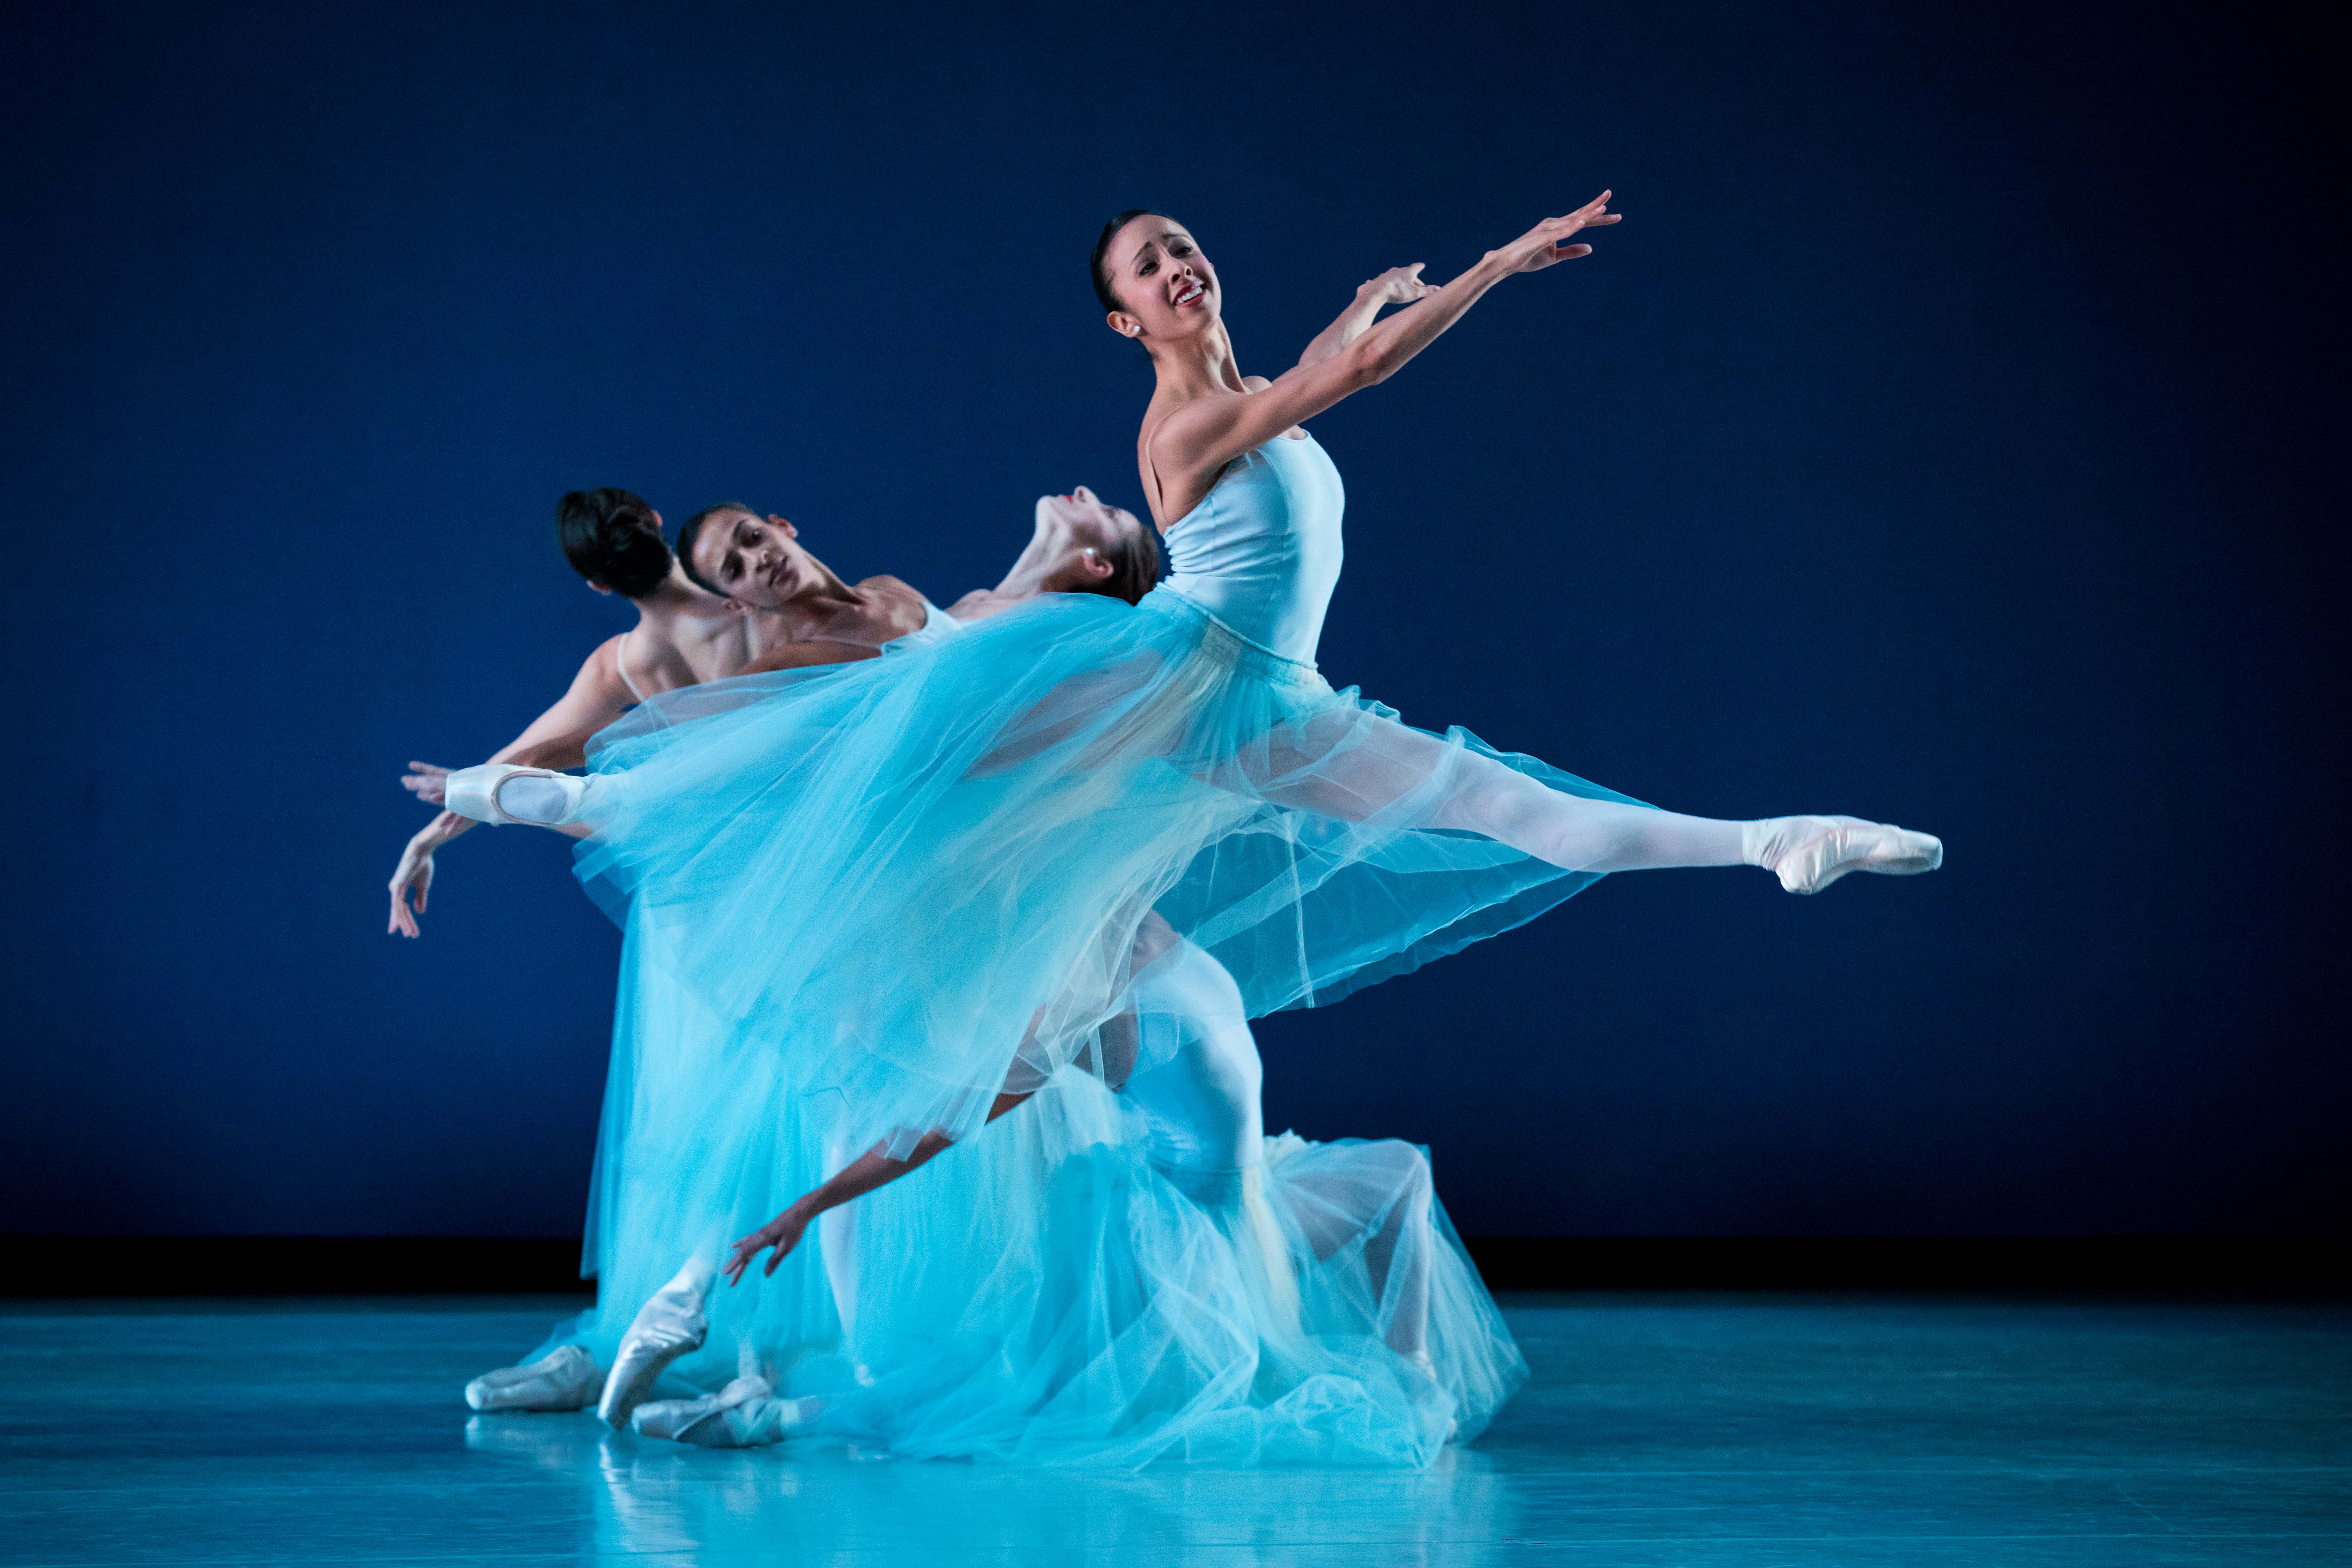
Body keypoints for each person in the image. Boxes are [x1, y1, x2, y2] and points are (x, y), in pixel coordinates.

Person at [443, 192, 1941, 1168]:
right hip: (1186, 680)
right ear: (1125, 318)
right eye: (1146, 268)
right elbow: (1337, 380)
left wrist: (1391, 308)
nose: (1176, 266)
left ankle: (1770, 842)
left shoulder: (1235, 395)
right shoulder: (1174, 424)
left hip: (1269, 693)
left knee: (1505, 804)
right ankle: (534, 798)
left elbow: (1328, 375)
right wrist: (1490, 267)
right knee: (900, 745)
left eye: (1181, 246)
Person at [433, 484, 1166, 1431]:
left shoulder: (892, 597)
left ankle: (755, 1327)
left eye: (749, 543)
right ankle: (734, 1326)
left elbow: (981, 651)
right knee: (818, 1100)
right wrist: (478, 805)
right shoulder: (762, 649)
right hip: (838, 880)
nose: (749, 566)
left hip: (949, 852)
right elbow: (622, 736)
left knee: (950, 1082)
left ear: (780, 523)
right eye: (730, 566)